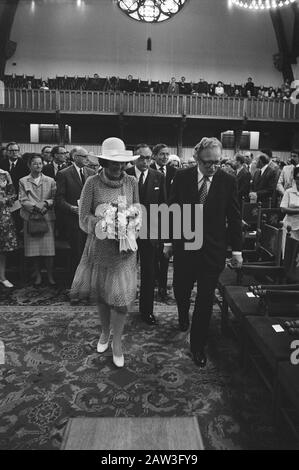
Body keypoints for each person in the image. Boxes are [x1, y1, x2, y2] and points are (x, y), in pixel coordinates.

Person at [164, 137, 242, 368]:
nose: (212, 167)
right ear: (197, 158)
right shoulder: (182, 177)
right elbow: (171, 210)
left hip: (213, 250)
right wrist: (168, 241)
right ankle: (181, 314)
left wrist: (236, 250)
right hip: (185, 246)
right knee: (181, 288)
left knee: (205, 299)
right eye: (208, 162)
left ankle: (197, 345)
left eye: (217, 162)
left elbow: (235, 217)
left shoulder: (228, 180)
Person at [70, 138, 140, 368]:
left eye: (121, 163)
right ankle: (103, 332)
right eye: (112, 162)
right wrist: (103, 225)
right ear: (103, 161)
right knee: (102, 295)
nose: (118, 167)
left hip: (124, 251)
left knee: (121, 300)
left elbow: (137, 210)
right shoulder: (91, 182)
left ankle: (117, 342)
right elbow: (83, 218)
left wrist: (131, 222)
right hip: (100, 249)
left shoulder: (131, 181)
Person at [126, 143, 166, 325]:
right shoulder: (125, 174)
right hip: (127, 232)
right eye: (142, 157)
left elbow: (164, 207)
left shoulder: (159, 177)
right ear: (135, 158)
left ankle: (146, 311)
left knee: (149, 273)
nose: (145, 161)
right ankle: (122, 307)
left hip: (150, 233)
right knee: (125, 272)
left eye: (148, 158)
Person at [55, 146, 95, 280]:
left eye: (87, 156)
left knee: (91, 252)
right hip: (74, 220)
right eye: (84, 156)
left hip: (90, 219)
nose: (87, 159)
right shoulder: (64, 173)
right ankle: (76, 282)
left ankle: (89, 281)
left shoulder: (92, 172)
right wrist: (71, 208)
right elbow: (59, 199)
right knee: (77, 253)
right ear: (75, 157)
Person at [19, 154, 56, 286]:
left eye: (40, 163)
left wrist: (45, 203)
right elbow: (22, 199)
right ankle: (38, 276)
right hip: (31, 218)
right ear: (29, 165)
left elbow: (54, 197)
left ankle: (50, 276)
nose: (38, 166)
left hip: (46, 218)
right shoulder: (23, 181)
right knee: (33, 251)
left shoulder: (50, 180)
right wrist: (35, 207)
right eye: (35, 163)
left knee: (49, 251)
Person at [150, 143, 177, 301]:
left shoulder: (175, 172)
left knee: (165, 254)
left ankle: (162, 286)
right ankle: (152, 281)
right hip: (152, 217)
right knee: (152, 254)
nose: (165, 157)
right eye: (162, 154)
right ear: (155, 155)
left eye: (167, 154)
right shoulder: (150, 171)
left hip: (169, 217)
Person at [0, 169, 18, 288]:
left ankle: (2, 277)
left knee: (2, 250)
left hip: (3, 218)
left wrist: (9, 179)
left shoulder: (3, 174)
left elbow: (12, 198)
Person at [280, 167, 299, 258]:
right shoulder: (289, 192)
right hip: (289, 227)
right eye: (298, 178)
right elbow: (283, 209)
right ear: (295, 179)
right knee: (289, 252)